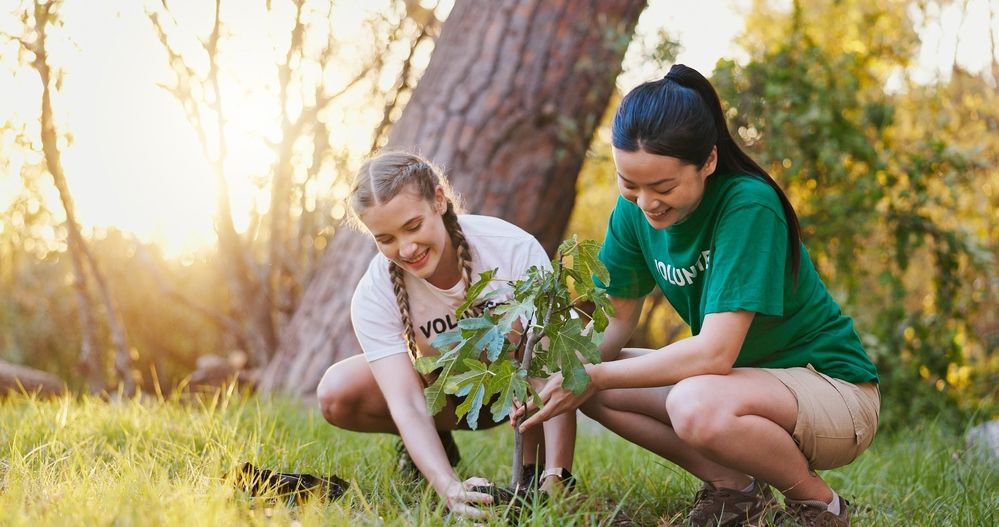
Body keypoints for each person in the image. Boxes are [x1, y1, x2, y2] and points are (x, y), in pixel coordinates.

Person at [516, 64, 880, 527]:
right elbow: (617, 322)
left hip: (833, 393)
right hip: (740, 387)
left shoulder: (748, 204)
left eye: (663, 186)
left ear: (707, 161)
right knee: (584, 379)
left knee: (690, 402)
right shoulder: (633, 215)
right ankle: (738, 491)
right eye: (629, 184)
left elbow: (715, 352)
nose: (646, 202)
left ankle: (820, 506)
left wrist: (596, 374)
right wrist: (556, 382)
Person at [316, 151, 576, 520]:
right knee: (336, 391)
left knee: (533, 343)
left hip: (516, 393)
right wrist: (448, 487)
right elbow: (405, 400)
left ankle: (536, 473)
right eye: (385, 238)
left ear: (439, 200)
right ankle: (433, 449)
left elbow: (554, 367)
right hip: (446, 397)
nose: (406, 249)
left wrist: (558, 479)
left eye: (413, 226)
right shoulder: (375, 293)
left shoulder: (511, 248)